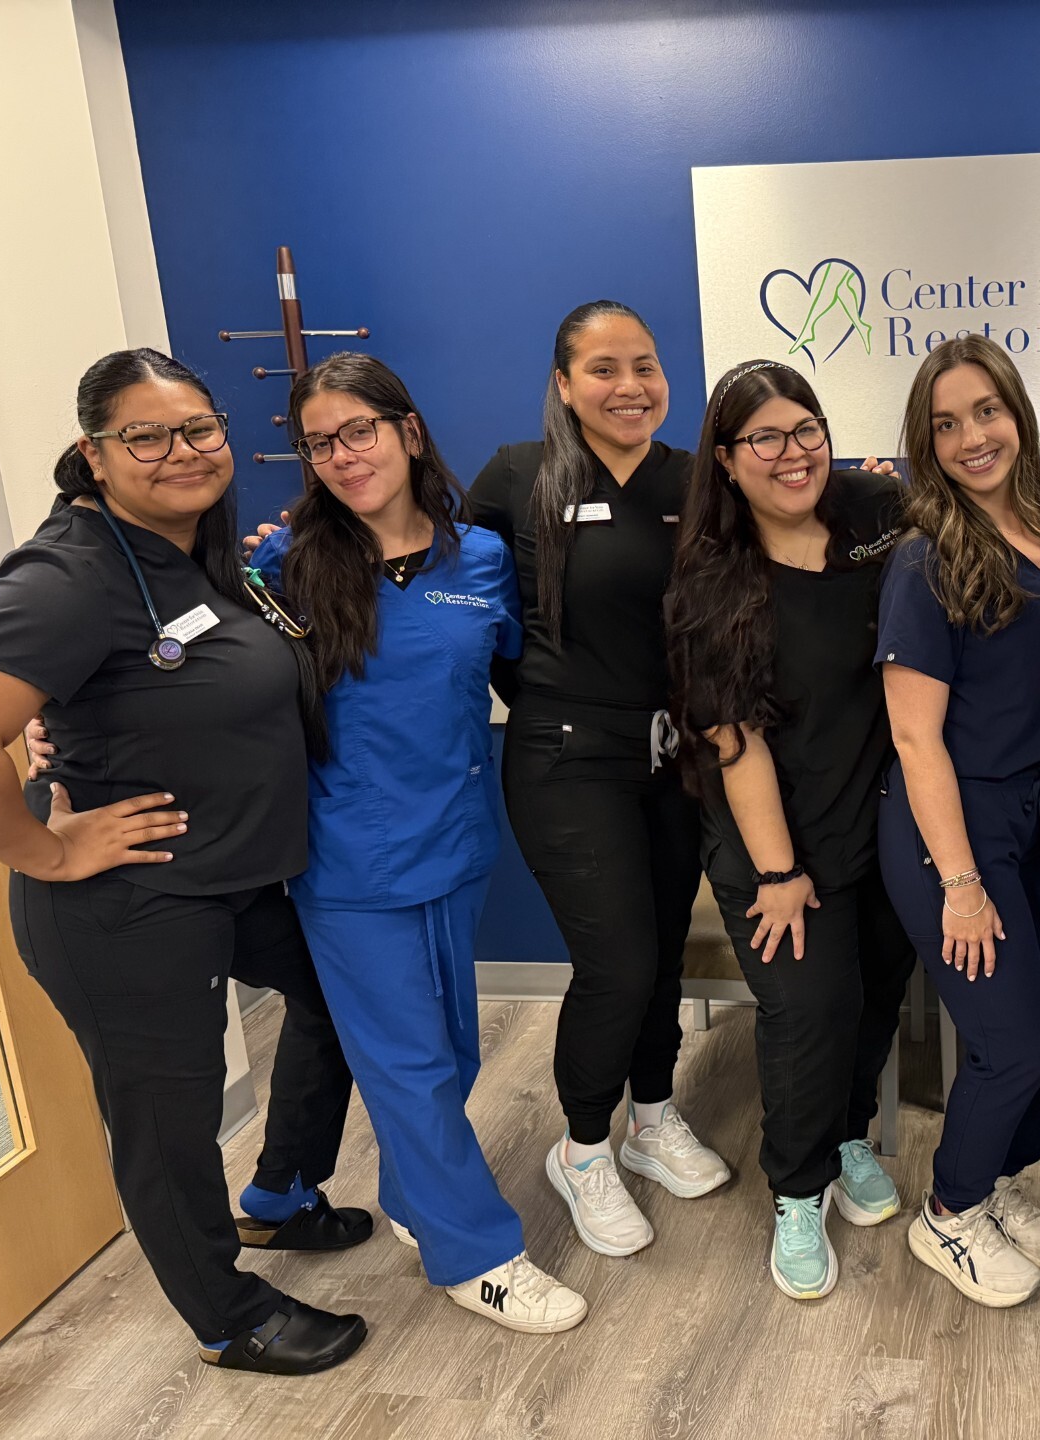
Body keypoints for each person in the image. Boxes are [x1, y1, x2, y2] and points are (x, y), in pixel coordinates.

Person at [0, 349, 369, 1373]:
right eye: (145, 435)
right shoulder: (71, 573)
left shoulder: (190, 549)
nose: (181, 451)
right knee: (167, 1121)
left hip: (231, 882)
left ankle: (280, 1190)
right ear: (95, 454)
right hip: (128, 906)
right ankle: (227, 1317)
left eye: (198, 428)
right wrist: (46, 851)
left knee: (344, 1000)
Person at [252, 352, 585, 1333]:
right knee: (410, 1068)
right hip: (349, 862)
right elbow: (197, 679)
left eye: (359, 430)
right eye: (320, 442)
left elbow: (526, 667)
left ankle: (409, 1192)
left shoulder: (478, 557)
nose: (343, 455)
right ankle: (475, 1252)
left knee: (451, 1052)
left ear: (408, 430)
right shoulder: (285, 566)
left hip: (456, 845)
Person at [469, 301, 730, 1258]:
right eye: (605, 369)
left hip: (672, 761)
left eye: (646, 366)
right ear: (564, 383)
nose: (631, 387)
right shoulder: (517, 477)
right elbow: (456, 599)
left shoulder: (695, 480)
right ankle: (582, 1149)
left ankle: (651, 1118)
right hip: (566, 759)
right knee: (616, 961)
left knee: (660, 952)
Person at [665, 359, 914, 1302]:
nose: (792, 452)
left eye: (805, 428)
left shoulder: (873, 516)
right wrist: (778, 874)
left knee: (873, 999)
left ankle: (849, 1136)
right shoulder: (710, 585)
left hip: (881, 827)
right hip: (774, 844)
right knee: (808, 1015)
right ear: (727, 461)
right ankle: (798, 1191)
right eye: (764, 438)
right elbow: (736, 746)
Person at [877, 336, 1040, 1308]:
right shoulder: (926, 559)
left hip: (1038, 816)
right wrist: (961, 885)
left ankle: (996, 1178)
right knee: (1013, 1046)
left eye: (986, 411)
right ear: (926, 444)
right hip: (948, 828)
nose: (972, 437)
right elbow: (915, 739)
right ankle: (950, 1212)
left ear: (1020, 412)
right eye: (946, 424)